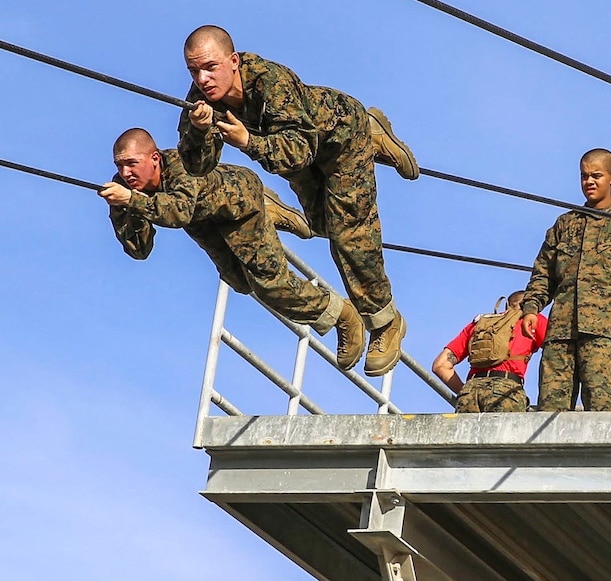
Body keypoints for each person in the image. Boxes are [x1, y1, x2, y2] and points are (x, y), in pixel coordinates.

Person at [176, 25, 413, 377]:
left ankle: (385, 321)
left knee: (349, 238)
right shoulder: (201, 99)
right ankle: (375, 133)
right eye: (194, 71)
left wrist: (248, 143)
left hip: (340, 140)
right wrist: (198, 131)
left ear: (234, 60)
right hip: (299, 159)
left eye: (210, 67)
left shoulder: (271, 82)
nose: (203, 78)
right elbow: (197, 167)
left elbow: (298, 152)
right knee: (322, 227)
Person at [99, 128, 366, 369]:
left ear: (154, 159)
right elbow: (139, 249)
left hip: (239, 205)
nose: (125, 174)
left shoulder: (180, 167)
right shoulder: (124, 187)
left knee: (270, 284)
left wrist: (133, 200)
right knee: (240, 282)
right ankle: (271, 211)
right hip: (204, 220)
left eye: (132, 164)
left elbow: (177, 213)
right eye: (120, 166)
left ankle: (340, 314)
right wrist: (121, 211)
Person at [520, 148, 611, 412]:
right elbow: (543, 273)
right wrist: (531, 308)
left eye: (596, 176)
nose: (589, 182)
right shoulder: (565, 223)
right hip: (561, 333)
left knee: (600, 410)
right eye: (584, 177)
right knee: (550, 409)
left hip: (604, 333)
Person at [431, 291, 548, 412]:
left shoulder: (479, 324)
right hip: (506, 392)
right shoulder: (532, 320)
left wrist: (465, 392)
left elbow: (440, 365)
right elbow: (558, 352)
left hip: (470, 392)